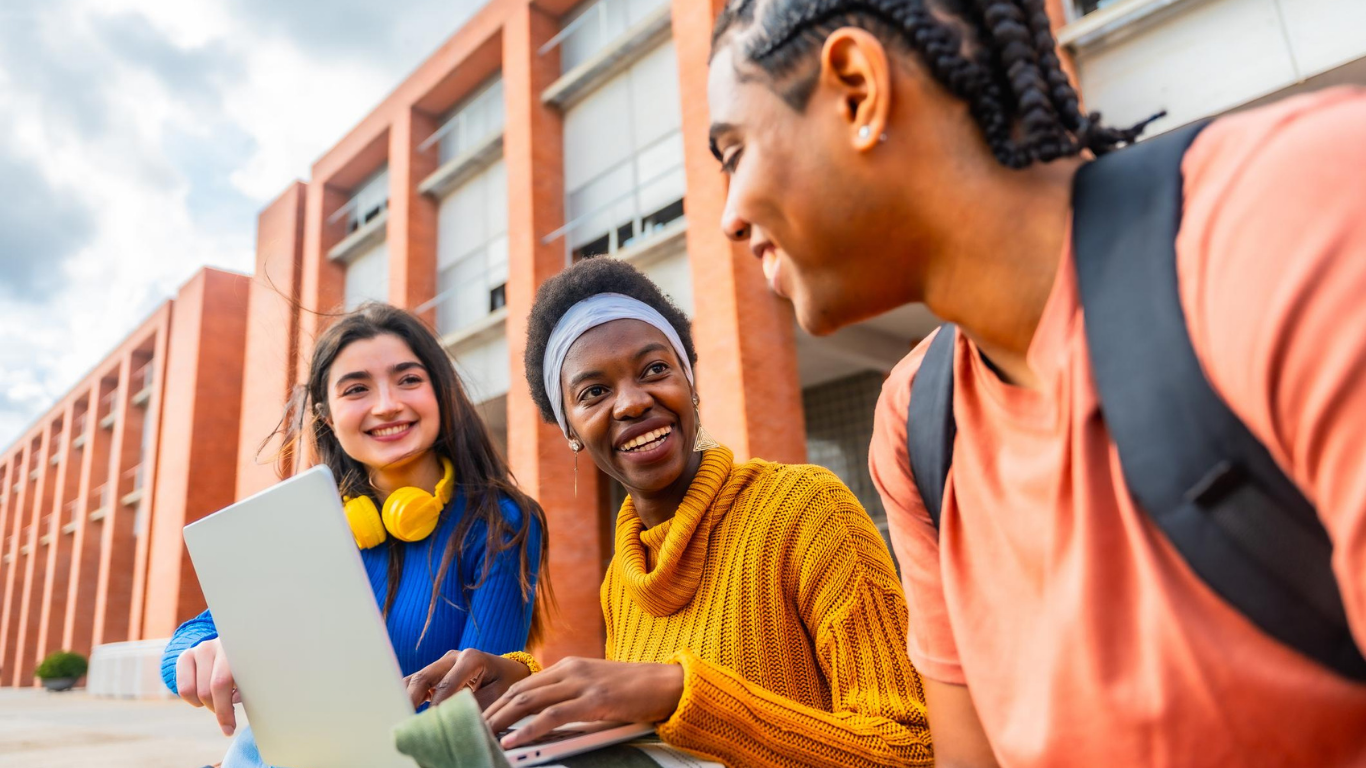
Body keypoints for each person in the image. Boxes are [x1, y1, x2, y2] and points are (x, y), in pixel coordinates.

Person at [705, 0, 1366, 766]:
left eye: (734, 152)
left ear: (857, 90)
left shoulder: (1292, 214)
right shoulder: (917, 424)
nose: (727, 217)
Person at [404, 258, 933, 767]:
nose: (632, 402)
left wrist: (680, 693)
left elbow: (914, 751)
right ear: (569, 430)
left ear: (691, 381)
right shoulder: (623, 580)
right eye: (594, 392)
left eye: (655, 368)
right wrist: (532, 692)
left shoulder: (805, 509)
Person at [160, 303, 549, 768]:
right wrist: (210, 651)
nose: (387, 404)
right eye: (357, 389)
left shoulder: (498, 521)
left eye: (408, 379)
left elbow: (474, 705)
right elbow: (180, 652)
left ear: (441, 394)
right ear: (326, 415)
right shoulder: (306, 523)